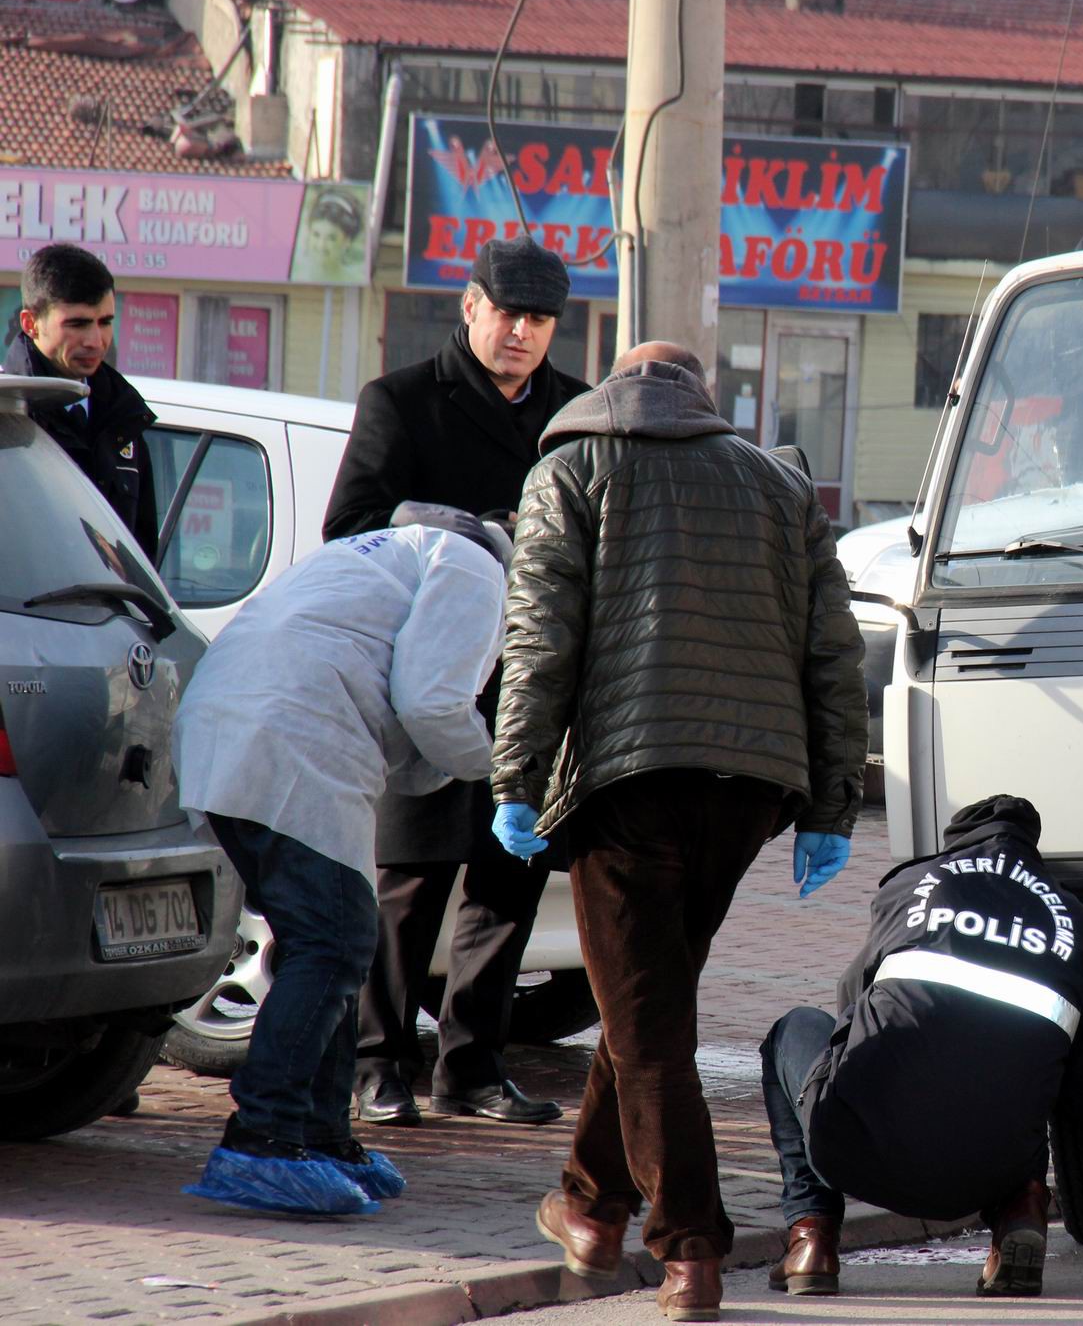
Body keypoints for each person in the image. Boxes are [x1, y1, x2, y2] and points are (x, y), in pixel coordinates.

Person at [492, 342, 867, 1323]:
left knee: (651, 1032)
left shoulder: (568, 469)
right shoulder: (775, 484)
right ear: (701, 400)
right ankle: (589, 1206)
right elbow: (833, 650)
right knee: (638, 1009)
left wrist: (516, 781)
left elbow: (540, 636)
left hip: (627, 783)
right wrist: (831, 804)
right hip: (747, 789)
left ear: (615, 388)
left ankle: (688, 1249)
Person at [172, 508, 513, 1216]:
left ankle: (320, 1136)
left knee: (324, 946)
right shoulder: (478, 568)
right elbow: (433, 704)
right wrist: (509, 771)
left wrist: (456, 757)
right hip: (293, 734)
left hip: (231, 724)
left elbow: (416, 735)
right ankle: (263, 1137)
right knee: (334, 943)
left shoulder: (397, 554)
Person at [323, 235, 592, 1130]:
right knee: (410, 883)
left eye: (539, 319)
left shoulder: (576, 412)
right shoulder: (401, 401)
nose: (520, 332)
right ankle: (377, 1063)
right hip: (427, 674)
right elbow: (352, 528)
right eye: (506, 312)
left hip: (534, 680)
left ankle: (472, 1067)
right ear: (469, 306)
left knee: (508, 880)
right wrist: (473, 532)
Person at [759, 794, 1083, 1301]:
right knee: (1026, 1071)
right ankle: (1022, 1209)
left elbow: (849, 1006)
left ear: (953, 846)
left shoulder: (913, 886)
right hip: (987, 1172)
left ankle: (811, 1240)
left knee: (795, 1028)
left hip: (852, 1151)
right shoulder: (1080, 922)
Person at [3, 243, 158, 558]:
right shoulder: (7, 414)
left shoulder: (123, 417)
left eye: (105, 322)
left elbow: (142, 558)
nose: (95, 340)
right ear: (31, 324)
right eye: (77, 324)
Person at [292, 187, 366, 283]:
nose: (321, 245)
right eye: (316, 235)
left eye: (331, 238)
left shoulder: (355, 281)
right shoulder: (294, 275)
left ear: (346, 241)